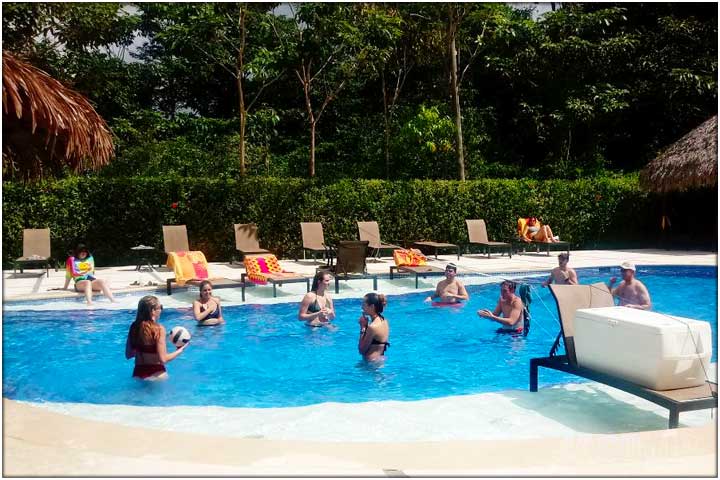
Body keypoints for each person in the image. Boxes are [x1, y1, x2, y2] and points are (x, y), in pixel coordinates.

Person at [125, 295, 188, 380]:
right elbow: (163, 359)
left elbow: (129, 354)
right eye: (160, 307)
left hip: (138, 373)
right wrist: (179, 351)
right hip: (156, 374)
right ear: (153, 311)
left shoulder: (134, 327)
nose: (161, 310)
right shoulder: (159, 329)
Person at [358, 293, 390, 361]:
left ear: (372, 306)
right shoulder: (384, 321)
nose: (362, 307)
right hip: (381, 359)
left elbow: (361, 350)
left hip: (370, 363)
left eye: (364, 304)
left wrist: (363, 327)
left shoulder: (372, 327)